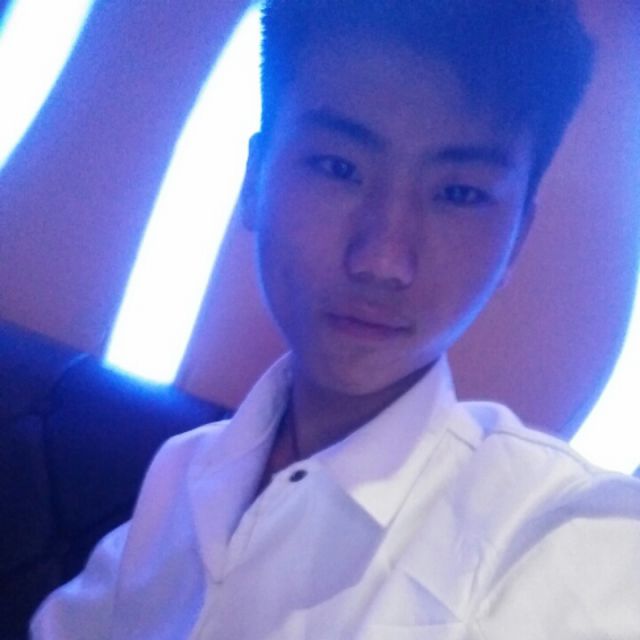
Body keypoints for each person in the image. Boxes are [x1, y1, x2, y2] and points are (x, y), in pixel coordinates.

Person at [32, 1, 640, 638]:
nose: (382, 259)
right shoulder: (184, 474)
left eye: (458, 193)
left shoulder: (556, 538)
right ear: (254, 179)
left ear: (516, 237)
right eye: (338, 167)